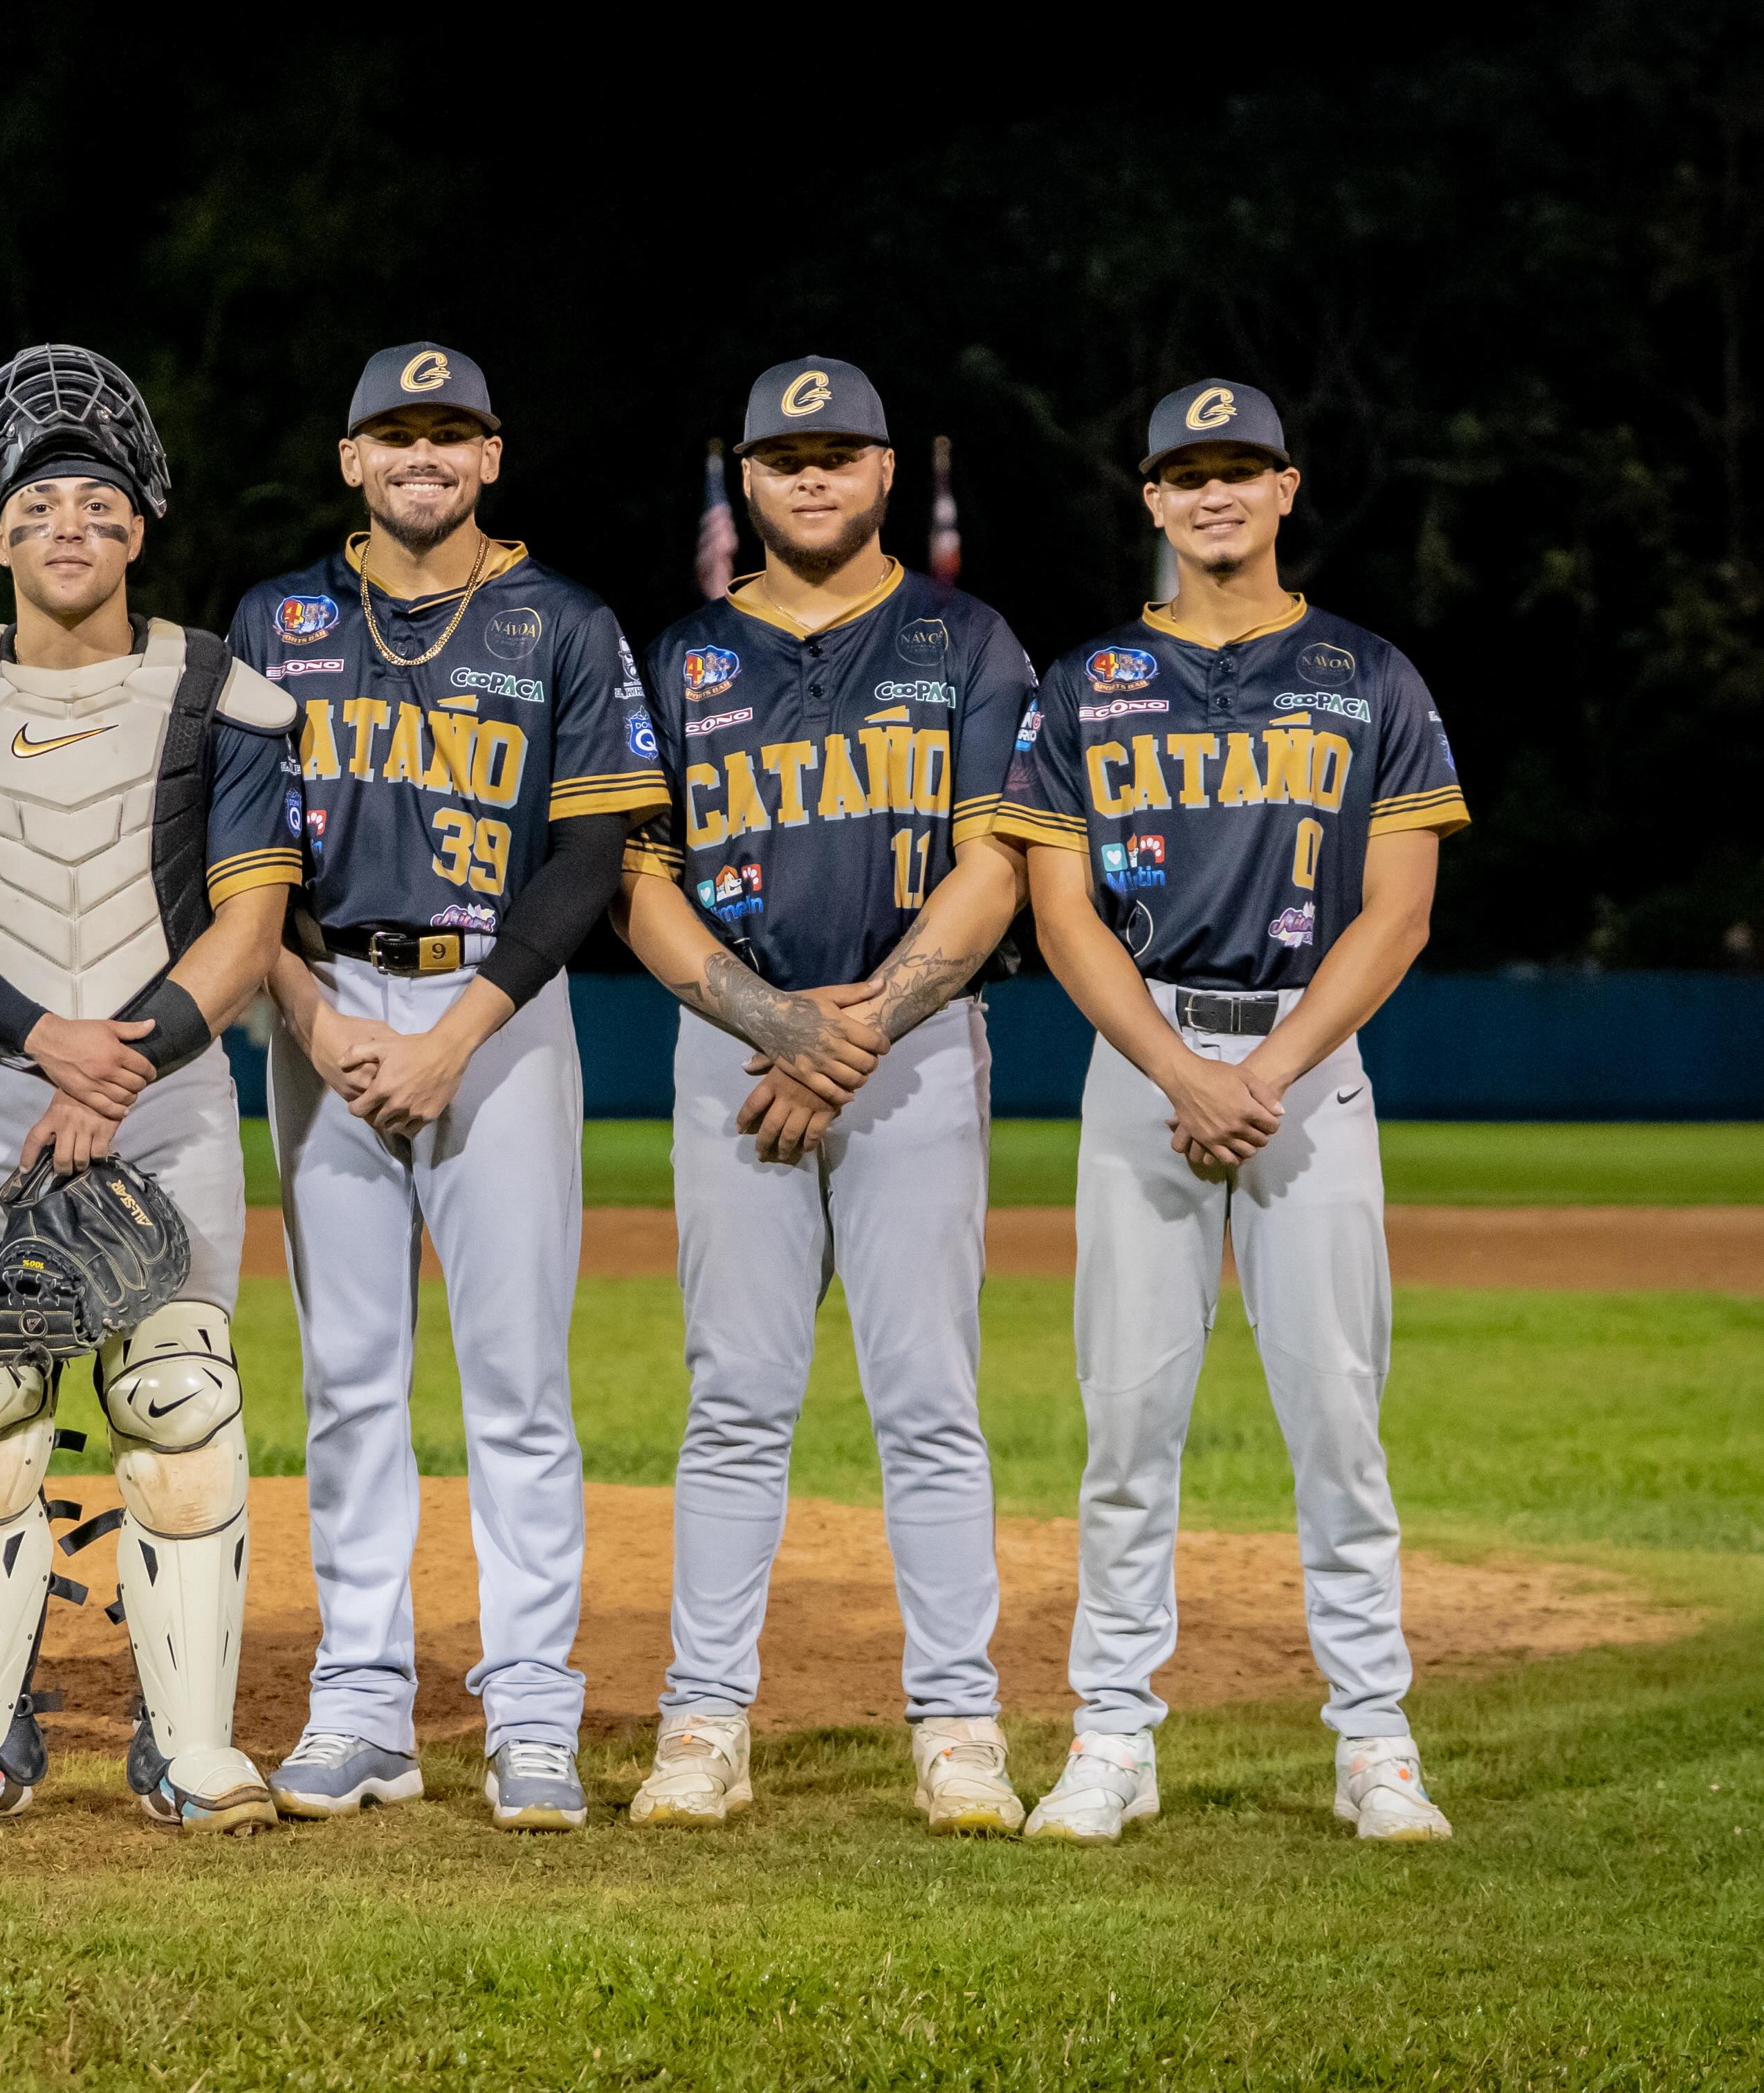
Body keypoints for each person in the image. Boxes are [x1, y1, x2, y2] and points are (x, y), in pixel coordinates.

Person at [995, 379, 1469, 1844]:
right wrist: (1182, 1071)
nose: (1215, 494)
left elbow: (1398, 913)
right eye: (1188, 474)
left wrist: (1263, 1073)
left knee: (1337, 1416)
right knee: (1128, 1421)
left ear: (1284, 489)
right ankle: (1112, 1736)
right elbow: (1060, 915)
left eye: (1241, 469)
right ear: (1152, 498)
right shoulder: (1086, 684)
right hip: (1145, 1066)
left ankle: (1374, 1739)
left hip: (1306, 1067)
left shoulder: (1368, 675)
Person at [0, 343, 302, 1836]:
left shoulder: (223, 694)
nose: (70, 525)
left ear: (140, 529)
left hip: (162, 1094)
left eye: (100, 503)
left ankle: (191, 1745)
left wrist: (114, 1068)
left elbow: (250, 920)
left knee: (177, 1400)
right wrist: (54, 1043)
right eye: (40, 502)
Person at [232, 342, 665, 1832]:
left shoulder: (564, 622)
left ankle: (532, 1708)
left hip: (502, 1009)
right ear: (351, 460)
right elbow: (233, 850)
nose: (422, 455)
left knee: (517, 1383)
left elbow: (591, 855)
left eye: (450, 433)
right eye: (394, 434)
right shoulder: (278, 619)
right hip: (324, 1004)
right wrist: (304, 1011)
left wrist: (455, 1033)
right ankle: (361, 1701)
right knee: (349, 1379)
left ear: (490, 456)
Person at [614, 356, 1039, 1834]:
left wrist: (854, 1028)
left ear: (881, 473)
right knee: (734, 1397)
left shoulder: (965, 639)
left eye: (840, 451)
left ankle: (959, 1723)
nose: (812, 473)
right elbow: (636, 880)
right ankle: (703, 1720)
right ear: (746, 478)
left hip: (911, 1048)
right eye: (785, 455)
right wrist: (773, 1022)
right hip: (732, 1045)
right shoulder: (680, 656)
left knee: (928, 1397)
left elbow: (997, 864)